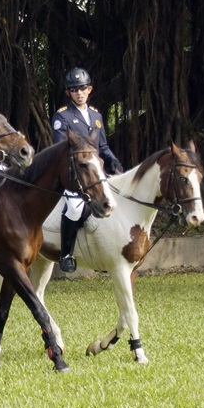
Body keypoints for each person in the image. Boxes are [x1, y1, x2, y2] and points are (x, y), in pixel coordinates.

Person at [51, 67, 124, 272]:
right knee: (75, 207)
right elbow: (62, 149)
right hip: (76, 175)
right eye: (74, 90)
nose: (79, 93)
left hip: (96, 173)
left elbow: (103, 147)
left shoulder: (96, 116)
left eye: (82, 88)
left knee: (115, 201)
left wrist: (114, 161)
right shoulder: (62, 117)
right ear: (68, 93)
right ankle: (66, 254)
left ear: (89, 89)